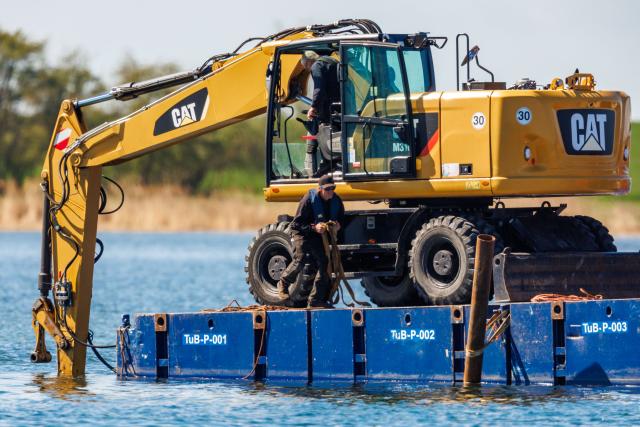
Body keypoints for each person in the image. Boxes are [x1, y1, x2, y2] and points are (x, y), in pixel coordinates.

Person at [277, 174, 345, 308]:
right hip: (301, 232)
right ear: (320, 189)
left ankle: (314, 300)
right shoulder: (308, 200)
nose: (330, 191)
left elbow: (342, 219)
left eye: (333, 188)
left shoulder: (336, 201)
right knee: (301, 258)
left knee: (325, 263)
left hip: (318, 236)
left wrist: (338, 225)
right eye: (327, 189)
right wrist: (314, 227)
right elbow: (296, 225)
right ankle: (283, 283)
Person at [300, 51, 340, 124]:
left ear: (309, 61)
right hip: (341, 105)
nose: (307, 69)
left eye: (305, 65)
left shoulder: (316, 66)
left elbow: (319, 88)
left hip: (331, 110)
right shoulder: (330, 60)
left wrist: (313, 107)